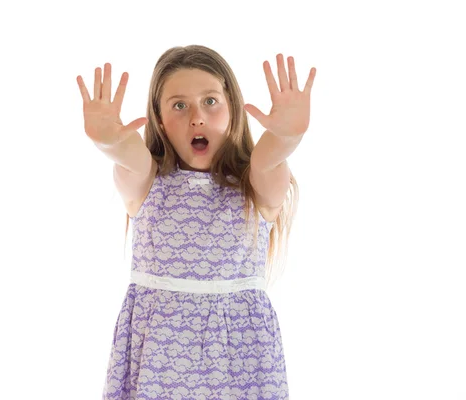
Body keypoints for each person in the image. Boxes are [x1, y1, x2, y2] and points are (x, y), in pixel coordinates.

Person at [76, 44, 316, 400]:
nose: (197, 117)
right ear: (158, 120)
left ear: (233, 109)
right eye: (179, 105)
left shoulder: (255, 188)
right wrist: (110, 142)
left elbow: (269, 161)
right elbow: (129, 159)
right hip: (160, 359)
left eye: (210, 101)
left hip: (240, 362)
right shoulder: (147, 184)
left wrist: (286, 136)